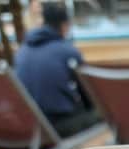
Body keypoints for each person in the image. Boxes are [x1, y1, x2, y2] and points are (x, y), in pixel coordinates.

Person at [15, 2, 99, 138]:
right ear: (65, 25)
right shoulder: (67, 51)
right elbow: (89, 94)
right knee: (103, 113)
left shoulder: (22, 50)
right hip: (58, 127)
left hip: (31, 128)